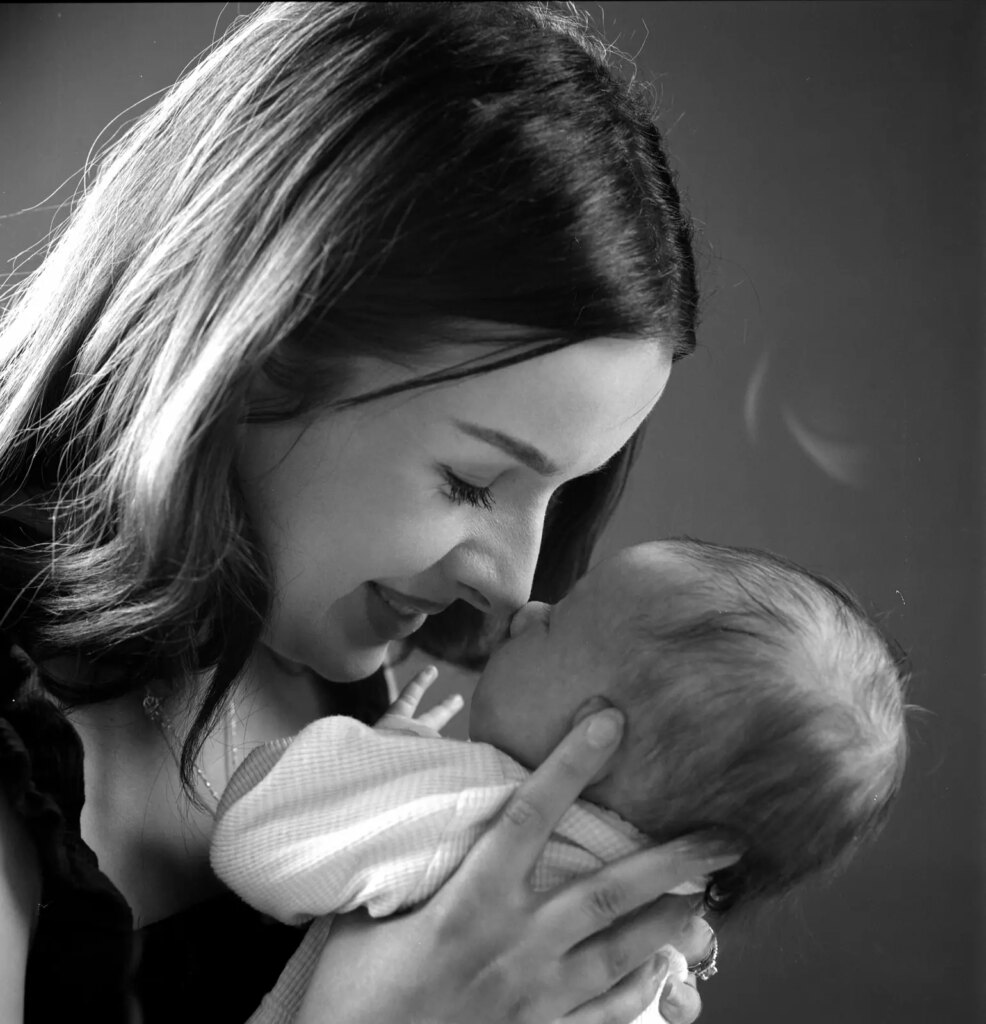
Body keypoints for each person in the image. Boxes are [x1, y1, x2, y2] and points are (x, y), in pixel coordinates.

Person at [0, 3, 733, 1022]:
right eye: (472, 482)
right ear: (260, 361)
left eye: (561, 492)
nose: (511, 587)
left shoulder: (354, 694)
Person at [209, 538, 908, 1023]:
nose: (528, 607)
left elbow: (253, 837)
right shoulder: (657, 951)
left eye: (560, 621)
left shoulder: (472, 809)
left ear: (594, 738)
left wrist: (374, 762)